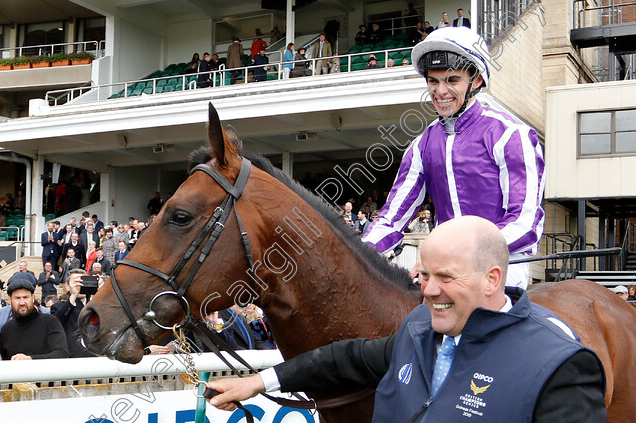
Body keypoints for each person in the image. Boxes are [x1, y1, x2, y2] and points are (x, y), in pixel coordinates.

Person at [207, 217, 606, 421]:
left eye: (446, 278)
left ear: (492, 279)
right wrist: (258, 382)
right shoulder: (418, 327)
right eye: (425, 275)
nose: (429, 291)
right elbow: (348, 359)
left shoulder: (561, 367)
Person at [363, 27, 545, 289]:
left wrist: (456, 257)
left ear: (478, 80)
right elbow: (392, 217)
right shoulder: (421, 145)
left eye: (452, 80)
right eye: (433, 81)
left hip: (500, 266)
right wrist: (356, 252)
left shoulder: (512, 135)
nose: (441, 91)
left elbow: (525, 222)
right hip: (444, 267)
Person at [0, 280, 68, 360]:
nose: (22, 302)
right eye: (17, 298)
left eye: (25, 297)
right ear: (10, 300)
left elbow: (61, 354)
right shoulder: (6, 329)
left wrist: (30, 359)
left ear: (33, 298)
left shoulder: (50, 322)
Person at [51, 270, 94, 358]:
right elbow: (56, 323)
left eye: (82, 281)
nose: (79, 285)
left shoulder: (97, 305)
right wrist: (74, 295)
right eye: (76, 282)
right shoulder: (59, 307)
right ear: (67, 286)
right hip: (73, 357)